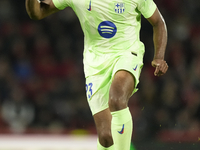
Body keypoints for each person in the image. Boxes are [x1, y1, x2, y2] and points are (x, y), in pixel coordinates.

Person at [25, 0, 168, 150]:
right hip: (95, 64)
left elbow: (158, 22)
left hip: (127, 53)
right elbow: (37, 13)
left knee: (117, 97)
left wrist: (159, 56)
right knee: (107, 137)